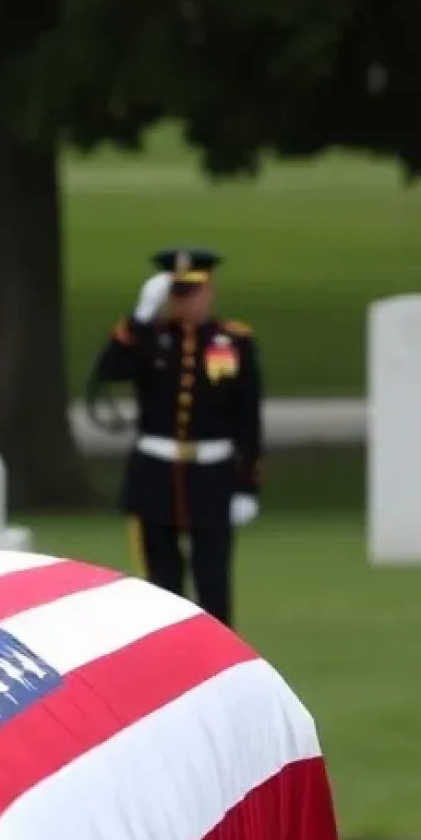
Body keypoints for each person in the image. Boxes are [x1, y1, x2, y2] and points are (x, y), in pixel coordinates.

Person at [86, 247, 263, 628]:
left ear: (209, 290)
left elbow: (248, 417)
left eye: (192, 292)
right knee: (161, 585)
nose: (186, 301)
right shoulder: (149, 338)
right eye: (177, 293)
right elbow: (107, 372)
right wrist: (138, 319)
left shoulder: (233, 342)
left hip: (211, 475)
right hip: (156, 474)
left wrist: (247, 484)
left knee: (213, 579)